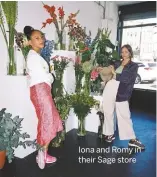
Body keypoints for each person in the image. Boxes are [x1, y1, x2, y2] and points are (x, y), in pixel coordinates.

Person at [24, 26, 63, 169]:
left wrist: (49, 77)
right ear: (29, 42)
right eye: (36, 38)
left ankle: (43, 153)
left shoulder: (35, 56)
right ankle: (42, 154)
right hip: (41, 90)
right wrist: (51, 76)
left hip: (41, 91)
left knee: (48, 120)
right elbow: (43, 77)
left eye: (41, 37)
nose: (41, 40)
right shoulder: (33, 57)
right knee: (47, 120)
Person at [101, 44, 145, 149]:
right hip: (111, 87)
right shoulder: (117, 63)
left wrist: (115, 74)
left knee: (124, 115)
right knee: (108, 112)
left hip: (122, 91)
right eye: (122, 52)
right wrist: (103, 69)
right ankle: (109, 134)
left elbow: (128, 79)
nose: (123, 54)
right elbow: (109, 71)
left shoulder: (133, 66)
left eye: (126, 51)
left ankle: (132, 139)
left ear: (130, 53)